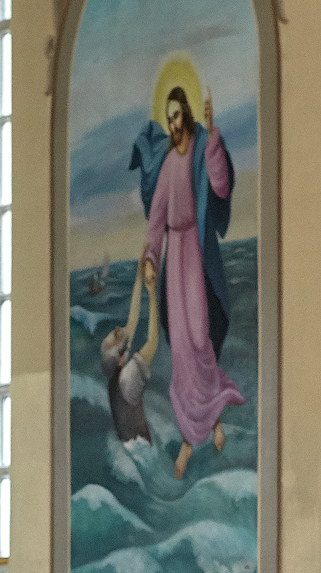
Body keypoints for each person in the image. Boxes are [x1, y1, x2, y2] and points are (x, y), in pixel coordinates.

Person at [132, 84, 245, 478]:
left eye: (177, 116)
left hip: (195, 253)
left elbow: (221, 186)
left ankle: (208, 420)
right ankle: (191, 436)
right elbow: (156, 218)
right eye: (168, 118)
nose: (173, 123)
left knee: (200, 338)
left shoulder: (199, 150)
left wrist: (214, 136)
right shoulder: (167, 164)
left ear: (188, 116)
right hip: (173, 258)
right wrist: (150, 258)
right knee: (180, 349)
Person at [101, 255, 161, 445]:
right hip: (143, 451)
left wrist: (139, 271)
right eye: (117, 336)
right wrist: (152, 294)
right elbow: (152, 342)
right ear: (120, 357)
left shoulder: (114, 377)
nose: (120, 328)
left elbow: (133, 319)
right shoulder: (127, 379)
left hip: (131, 448)